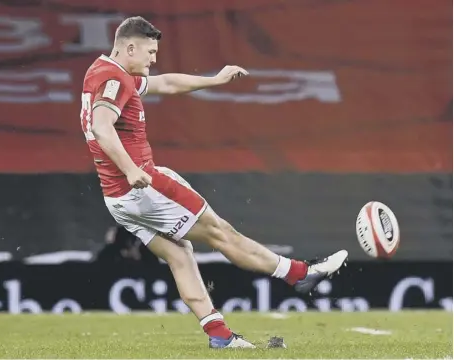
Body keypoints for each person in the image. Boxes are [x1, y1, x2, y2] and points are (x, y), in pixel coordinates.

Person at [80, 16, 348, 349]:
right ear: (129, 47)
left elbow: (166, 84)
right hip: (142, 185)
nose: (153, 58)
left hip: (117, 200)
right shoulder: (115, 79)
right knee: (221, 233)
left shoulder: (103, 71)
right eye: (149, 51)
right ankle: (299, 275)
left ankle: (219, 336)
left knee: (180, 254)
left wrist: (214, 80)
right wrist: (132, 170)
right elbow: (103, 127)